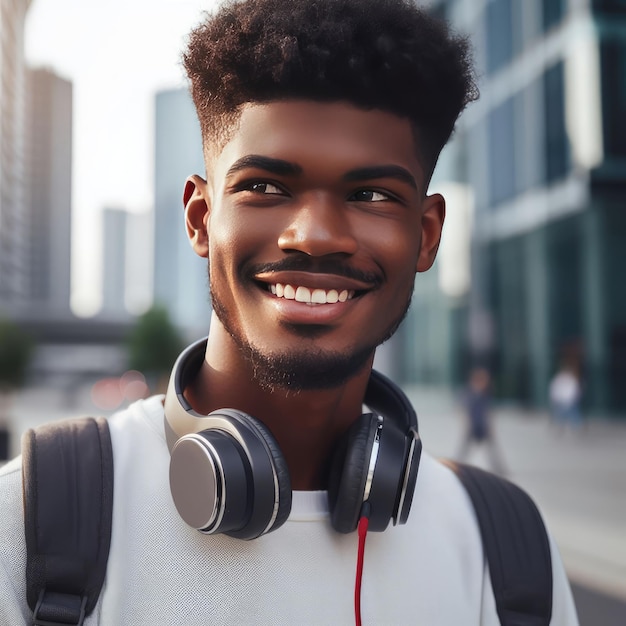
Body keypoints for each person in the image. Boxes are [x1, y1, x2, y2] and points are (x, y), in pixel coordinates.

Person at [0, 0, 578, 623]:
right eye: (266, 187)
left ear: (427, 235)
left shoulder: (510, 555)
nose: (315, 235)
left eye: (372, 195)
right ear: (200, 217)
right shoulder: (28, 528)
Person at [456, 367, 507, 475]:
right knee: (464, 449)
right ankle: (456, 466)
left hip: (483, 426)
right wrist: (467, 423)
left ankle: (499, 468)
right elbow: (464, 410)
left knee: (492, 450)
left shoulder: (485, 394)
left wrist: (490, 425)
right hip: (473, 426)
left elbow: (488, 412)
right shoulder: (469, 393)